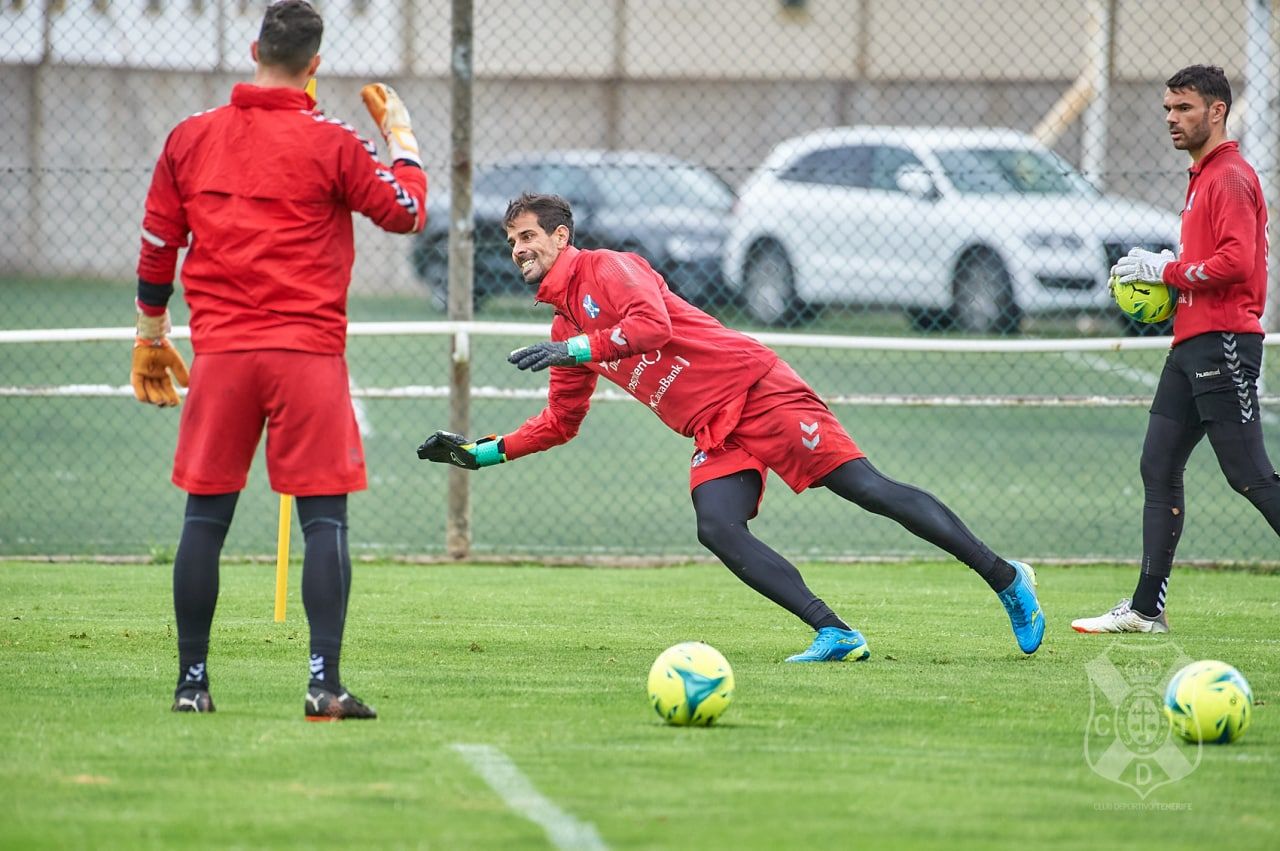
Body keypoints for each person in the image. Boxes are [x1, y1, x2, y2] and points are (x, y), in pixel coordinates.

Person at [416, 192, 1045, 661]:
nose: (519, 249)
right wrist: (481, 455)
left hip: (758, 392)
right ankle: (835, 632)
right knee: (717, 525)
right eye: (512, 242)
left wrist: (578, 350)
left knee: (868, 490)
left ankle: (1006, 577)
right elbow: (560, 421)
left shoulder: (609, 267)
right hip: (717, 430)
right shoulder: (563, 329)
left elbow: (653, 326)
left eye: (528, 236)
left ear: (560, 235)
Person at [131, 0, 428, 718]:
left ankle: (191, 685)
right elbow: (406, 211)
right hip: (307, 357)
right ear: (315, 68)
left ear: (254, 46)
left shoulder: (189, 137)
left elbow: (157, 243)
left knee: (205, 519)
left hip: (223, 356)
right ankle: (323, 684)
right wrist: (404, 138)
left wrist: (149, 332)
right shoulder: (335, 142)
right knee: (325, 522)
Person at [1073, 65, 1279, 634]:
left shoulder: (1230, 175)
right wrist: (1168, 279)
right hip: (1190, 343)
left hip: (1225, 341)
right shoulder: (1203, 176)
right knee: (1158, 464)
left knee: (1249, 476)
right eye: (1167, 108)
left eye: (1183, 108)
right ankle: (1145, 609)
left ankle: (1145, 608)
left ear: (1217, 112)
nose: (1171, 118)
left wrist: (1167, 269)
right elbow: (1210, 261)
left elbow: (1237, 263)